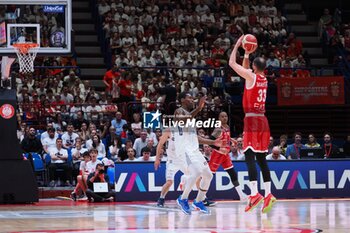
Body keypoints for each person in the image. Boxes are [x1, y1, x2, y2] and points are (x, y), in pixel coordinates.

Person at [229, 35, 276, 213]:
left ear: (255, 67)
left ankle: (255, 194)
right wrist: (247, 55)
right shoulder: (263, 79)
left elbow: (232, 63)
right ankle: (268, 194)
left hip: (252, 120)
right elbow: (247, 71)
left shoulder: (250, 77)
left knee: (249, 155)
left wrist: (237, 46)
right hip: (263, 120)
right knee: (262, 159)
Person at [174, 92, 222, 215]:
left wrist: (213, 142)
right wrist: (199, 109)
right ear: (182, 100)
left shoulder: (191, 118)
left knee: (208, 175)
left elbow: (195, 138)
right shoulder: (178, 111)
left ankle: (198, 201)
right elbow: (182, 121)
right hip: (184, 150)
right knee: (196, 172)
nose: (192, 99)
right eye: (189, 97)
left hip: (194, 150)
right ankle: (183, 198)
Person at [208, 112, 247, 202]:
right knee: (209, 176)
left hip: (225, 155)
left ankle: (242, 196)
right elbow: (209, 142)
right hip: (217, 154)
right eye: (222, 116)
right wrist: (219, 149)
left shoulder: (227, 127)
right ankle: (202, 197)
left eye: (226, 116)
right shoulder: (218, 129)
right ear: (219, 118)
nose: (224, 118)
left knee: (232, 173)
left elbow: (226, 138)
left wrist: (232, 140)